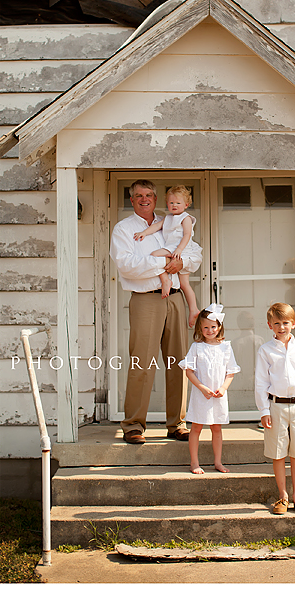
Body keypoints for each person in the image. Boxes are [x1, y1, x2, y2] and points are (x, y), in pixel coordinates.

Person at [110, 179, 203, 444]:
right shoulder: (124, 229)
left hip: (175, 299)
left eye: (149, 195)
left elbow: (194, 254)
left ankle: (177, 424)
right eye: (138, 195)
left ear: (155, 198)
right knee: (143, 362)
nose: (144, 199)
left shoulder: (172, 221)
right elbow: (127, 265)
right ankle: (133, 425)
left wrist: (181, 262)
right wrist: (165, 263)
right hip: (145, 300)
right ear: (132, 200)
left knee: (178, 362)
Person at [255, 302, 295, 515]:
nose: (282, 327)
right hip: (276, 407)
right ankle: (282, 496)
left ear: (294, 324)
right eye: (277, 323)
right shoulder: (266, 350)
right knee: (278, 452)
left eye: (286, 323)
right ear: (270, 325)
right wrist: (264, 410)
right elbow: (261, 382)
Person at [179, 305, 239, 474]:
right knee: (196, 428)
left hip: (218, 395)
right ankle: (194, 462)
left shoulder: (226, 347)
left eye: (213, 326)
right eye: (205, 327)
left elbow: (231, 372)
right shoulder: (197, 347)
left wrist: (223, 388)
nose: (210, 330)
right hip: (201, 394)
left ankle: (218, 462)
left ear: (219, 326)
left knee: (217, 428)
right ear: (200, 328)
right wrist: (201, 387)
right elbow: (189, 371)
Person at [133, 185, 202, 327]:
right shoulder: (168, 218)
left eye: (178, 203)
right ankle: (193, 310)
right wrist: (144, 233)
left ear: (186, 205)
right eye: (171, 203)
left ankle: (166, 281)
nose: (174, 205)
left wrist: (179, 249)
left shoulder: (186, 218)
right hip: (173, 249)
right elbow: (156, 227)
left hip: (181, 250)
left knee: (154, 254)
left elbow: (187, 235)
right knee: (184, 284)